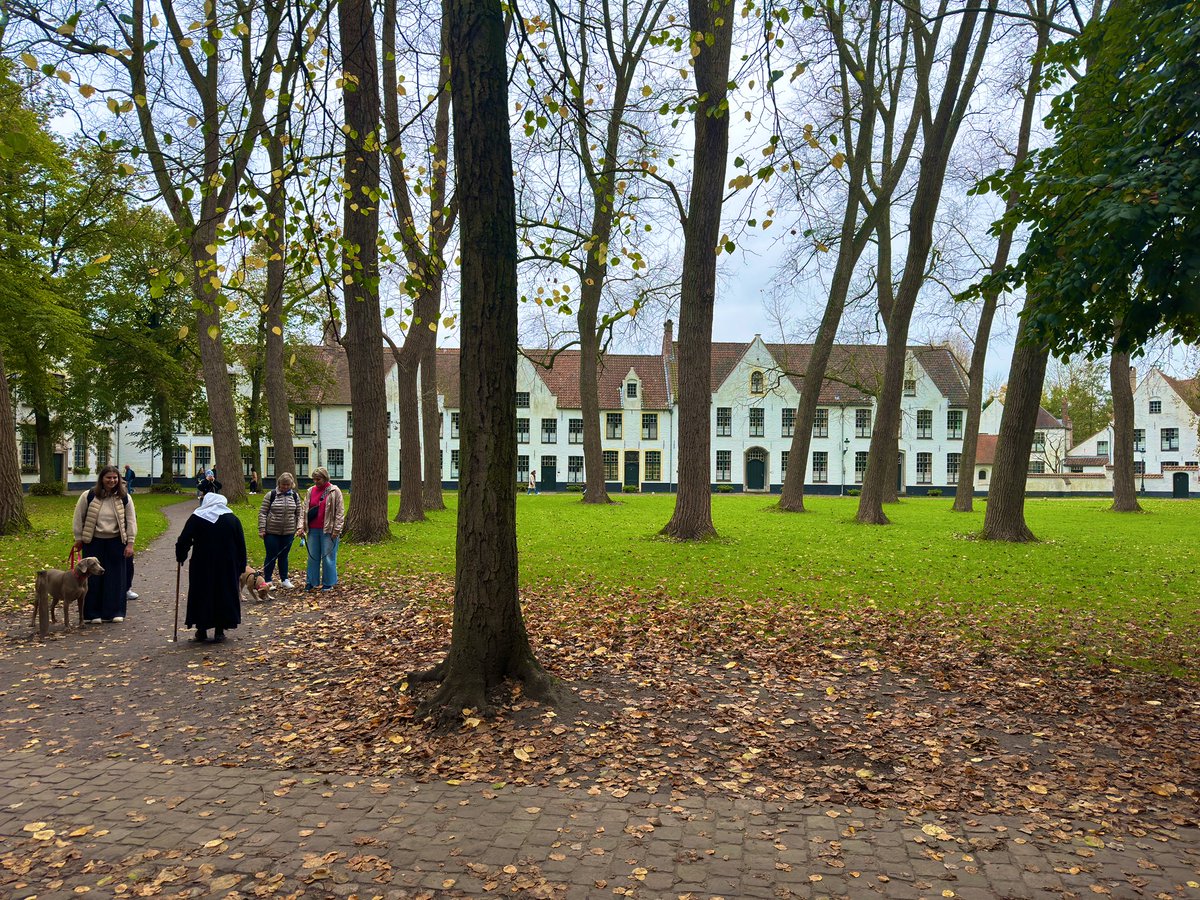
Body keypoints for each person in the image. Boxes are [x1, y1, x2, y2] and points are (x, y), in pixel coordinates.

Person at [175, 492, 245, 643]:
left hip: (203, 562)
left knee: (202, 592)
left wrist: (181, 555)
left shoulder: (197, 517)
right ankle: (220, 630)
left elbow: (184, 539)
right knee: (223, 592)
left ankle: (201, 630)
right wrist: (241, 565)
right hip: (227, 564)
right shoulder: (232, 519)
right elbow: (241, 543)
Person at [72, 465, 137, 624]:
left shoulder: (125, 497)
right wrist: (78, 538)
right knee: (93, 578)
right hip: (93, 541)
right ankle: (92, 613)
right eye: (108, 477)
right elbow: (78, 517)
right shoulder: (88, 496)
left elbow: (131, 520)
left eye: (115, 478)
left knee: (116, 578)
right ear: (102, 479)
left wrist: (130, 543)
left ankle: (115, 611)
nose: (112, 481)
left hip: (116, 541)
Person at [301, 467, 344, 591]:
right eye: (314, 479)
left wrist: (337, 529)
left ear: (325, 478)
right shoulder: (310, 491)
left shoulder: (334, 491)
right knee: (312, 557)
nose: (316, 481)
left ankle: (328, 582)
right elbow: (304, 510)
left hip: (329, 530)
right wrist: (301, 527)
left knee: (328, 557)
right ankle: (311, 581)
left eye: (318, 479)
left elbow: (340, 512)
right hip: (313, 529)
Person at [258, 472, 301, 589]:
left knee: (284, 556)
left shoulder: (295, 496)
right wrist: (262, 529)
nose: (285, 487)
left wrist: (299, 527)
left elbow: (299, 513)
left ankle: (284, 579)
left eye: (288, 485)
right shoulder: (271, 495)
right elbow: (262, 512)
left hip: (288, 532)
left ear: (291, 484)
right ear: (279, 484)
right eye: (283, 484)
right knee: (271, 555)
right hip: (271, 531)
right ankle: (268, 580)